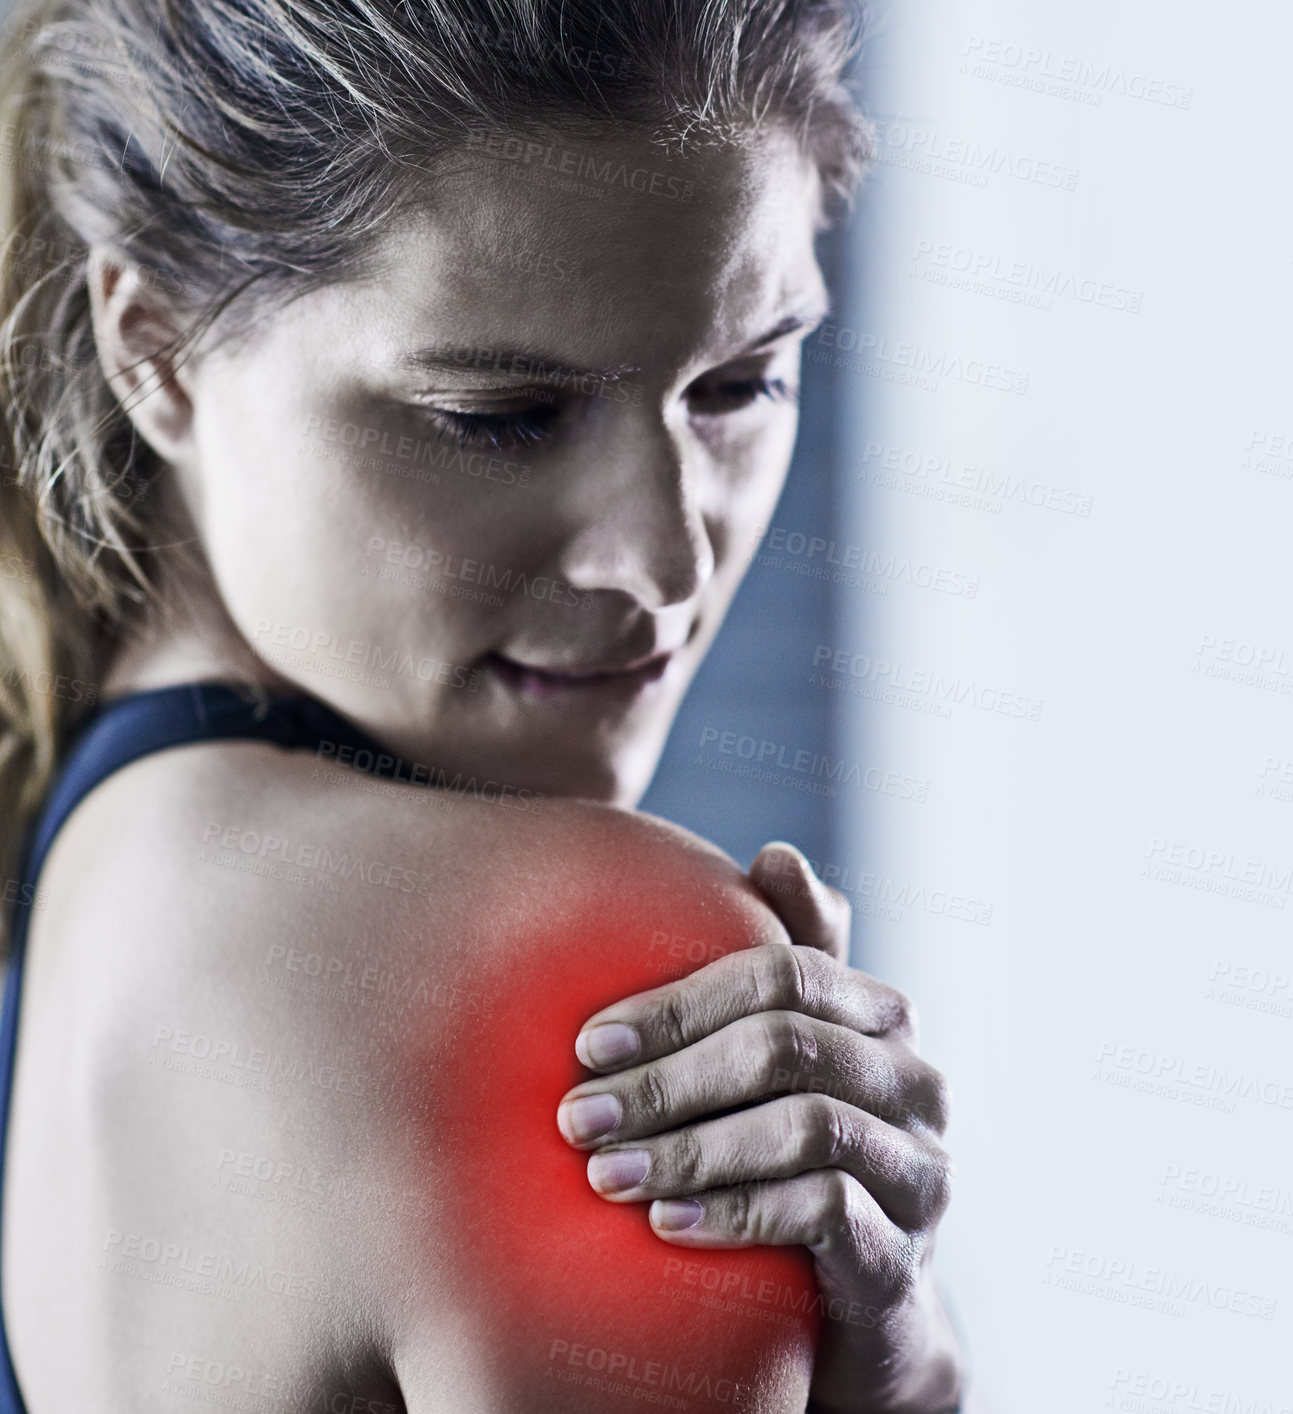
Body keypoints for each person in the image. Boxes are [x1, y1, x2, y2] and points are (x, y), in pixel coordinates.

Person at [0, 0, 964, 1409]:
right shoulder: (575, 967)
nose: (665, 561)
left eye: (741, 383)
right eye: (500, 417)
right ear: (154, 346)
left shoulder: (88, 837)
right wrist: (902, 1373)